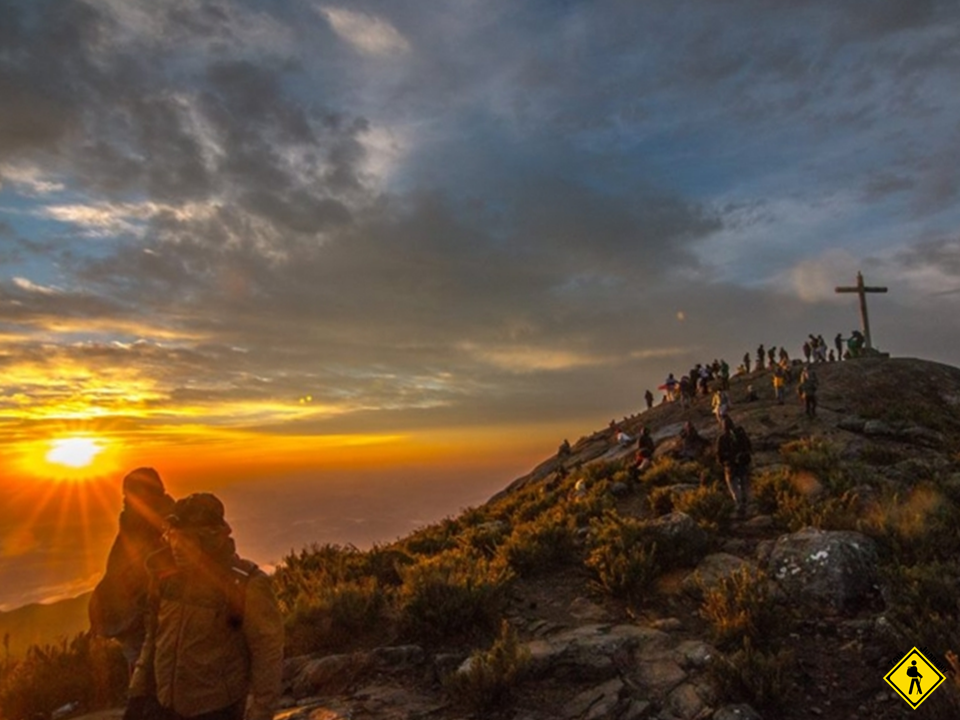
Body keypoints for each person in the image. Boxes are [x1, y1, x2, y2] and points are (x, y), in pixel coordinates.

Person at [125, 494, 284, 720]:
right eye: (172, 537)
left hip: (216, 709)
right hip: (165, 704)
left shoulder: (245, 583)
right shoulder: (166, 577)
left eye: (187, 539)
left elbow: (266, 651)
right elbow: (153, 638)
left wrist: (261, 711)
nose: (177, 547)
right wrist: (138, 692)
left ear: (210, 539)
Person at [89, 468, 176, 669]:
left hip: (143, 616)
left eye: (131, 493)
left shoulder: (163, 526)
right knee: (141, 666)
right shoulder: (136, 523)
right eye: (126, 494)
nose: (126, 500)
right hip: (130, 617)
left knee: (145, 668)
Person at [716, 417, 752, 519]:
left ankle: (739, 504)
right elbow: (749, 446)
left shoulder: (723, 438)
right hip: (743, 464)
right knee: (745, 483)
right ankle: (746, 504)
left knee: (734, 486)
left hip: (731, 467)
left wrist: (724, 463)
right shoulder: (741, 434)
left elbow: (719, 454)